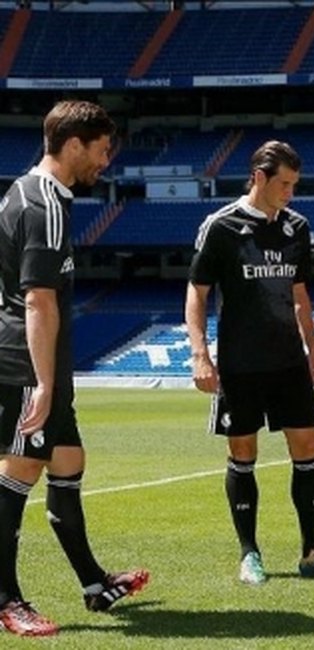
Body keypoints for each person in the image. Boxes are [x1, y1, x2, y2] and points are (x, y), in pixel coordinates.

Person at [0, 100, 149, 637]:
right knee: (19, 469)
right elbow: (38, 300)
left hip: (40, 361)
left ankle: (91, 582)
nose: (105, 162)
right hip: (26, 361)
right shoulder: (44, 204)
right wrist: (42, 381)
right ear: (73, 144)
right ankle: (6, 600)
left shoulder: (29, 192)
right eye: (102, 150)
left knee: (68, 459)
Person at [185, 140, 314, 585]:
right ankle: (249, 552)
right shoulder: (221, 226)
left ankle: (312, 553)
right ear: (259, 177)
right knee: (242, 453)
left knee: (308, 448)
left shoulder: (297, 227)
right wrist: (200, 354)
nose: (291, 193)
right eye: (285, 184)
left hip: (288, 362)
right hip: (240, 364)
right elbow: (196, 292)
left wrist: (313, 349)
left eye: (295, 184)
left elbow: (298, 293)